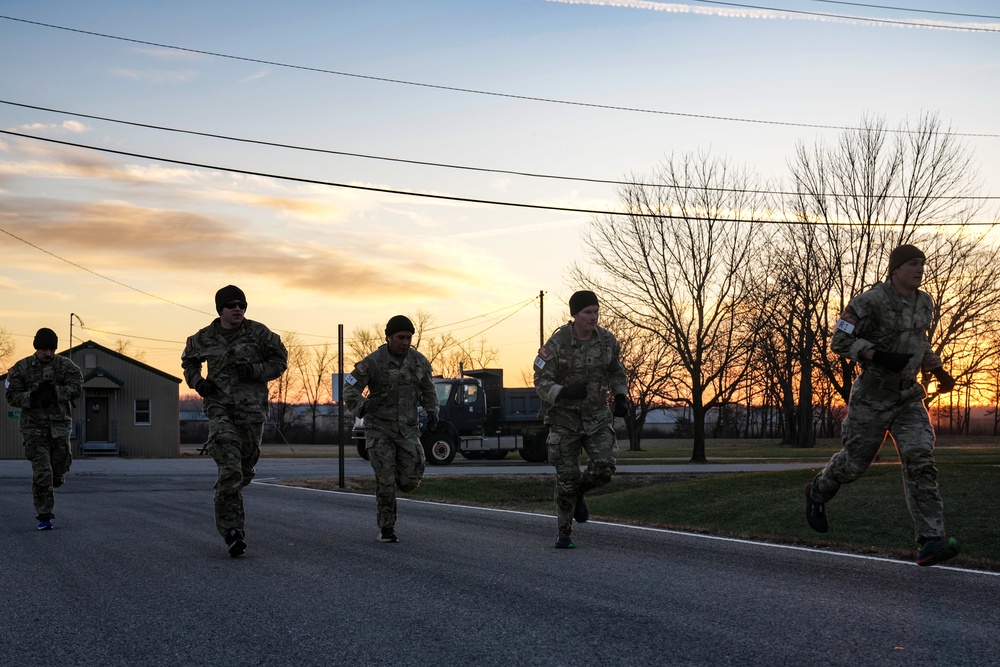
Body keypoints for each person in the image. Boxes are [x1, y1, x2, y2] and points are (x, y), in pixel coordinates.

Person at [805, 244, 960, 567]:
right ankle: (817, 492)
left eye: (922, 264)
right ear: (895, 269)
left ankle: (931, 539)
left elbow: (920, 342)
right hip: (872, 398)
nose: (919, 269)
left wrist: (937, 368)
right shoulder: (869, 302)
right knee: (855, 464)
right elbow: (839, 340)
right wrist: (875, 354)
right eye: (913, 264)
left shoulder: (925, 302)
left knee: (921, 458)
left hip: (907, 398)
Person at [181, 285, 287, 557]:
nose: (238, 309)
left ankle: (226, 496)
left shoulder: (259, 333)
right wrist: (199, 383)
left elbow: (280, 360)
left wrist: (256, 370)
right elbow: (189, 364)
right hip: (220, 409)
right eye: (232, 305)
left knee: (245, 468)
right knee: (230, 469)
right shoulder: (203, 337)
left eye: (242, 304)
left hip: (252, 411)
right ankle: (232, 532)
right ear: (220, 310)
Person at [533, 290, 629, 549]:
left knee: (605, 467)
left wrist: (621, 396)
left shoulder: (608, 342)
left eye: (596, 311)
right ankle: (564, 533)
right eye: (588, 312)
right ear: (575, 314)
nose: (593, 317)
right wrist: (562, 392)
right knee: (566, 477)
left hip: (596, 416)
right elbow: (540, 380)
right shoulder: (556, 344)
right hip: (564, 418)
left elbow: (617, 371)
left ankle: (579, 492)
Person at [343, 315, 438, 543]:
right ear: (389, 337)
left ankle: (395, 473)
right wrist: (363, 406)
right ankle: (387, 528)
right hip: (380, 430)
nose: (405, 342)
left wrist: (433, 411)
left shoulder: (418, 361)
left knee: (409, 480)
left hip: (408, 430)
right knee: (385, 482)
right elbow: (349, 386)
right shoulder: (374, 361)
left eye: (409, 338)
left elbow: (429, 390)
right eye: (400, 337)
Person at [4, 328, 84, 530]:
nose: (48, 354)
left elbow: (77, 387)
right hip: (33, 430)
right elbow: (12, 395)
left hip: (59, 427)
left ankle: (56, 477)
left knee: (59, 467)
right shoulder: (22, 368)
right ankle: (44, 516)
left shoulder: (65, 366)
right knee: (43, 472)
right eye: (44, 349)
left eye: (51, 349)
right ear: (36, 348)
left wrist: (56, 392)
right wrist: (33, 397)